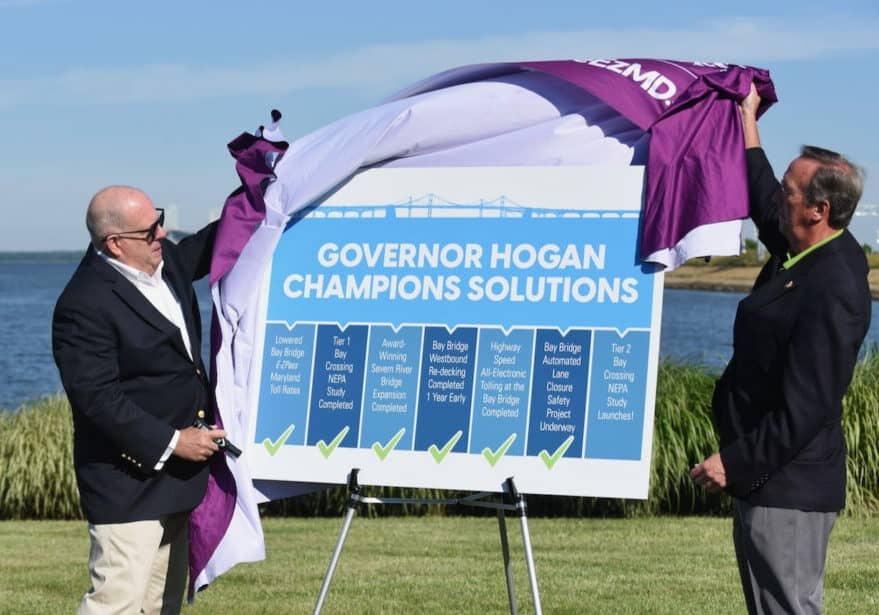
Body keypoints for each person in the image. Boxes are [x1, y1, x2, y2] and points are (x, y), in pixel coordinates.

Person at [690, 84, 871, 614]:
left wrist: (735, 462)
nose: (779, 199)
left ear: (818, 210)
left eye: (790, 193)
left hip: (788, 486)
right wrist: (747, 117)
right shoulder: (802, 246)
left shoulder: (834, 285)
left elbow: (807, 407)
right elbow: (761, 189)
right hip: (769, 482)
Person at [52, 186, 227, 614]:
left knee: (162, 605)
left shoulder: (165, 262)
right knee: (117, 603)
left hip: (181, 481)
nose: (161, 233)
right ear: (115, 243)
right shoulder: (83, 304)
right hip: (127, 485)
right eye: (150, 230)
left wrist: (265, 191)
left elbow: (213, 242)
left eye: (158, 220)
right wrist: (175, 441)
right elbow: (97, 400)